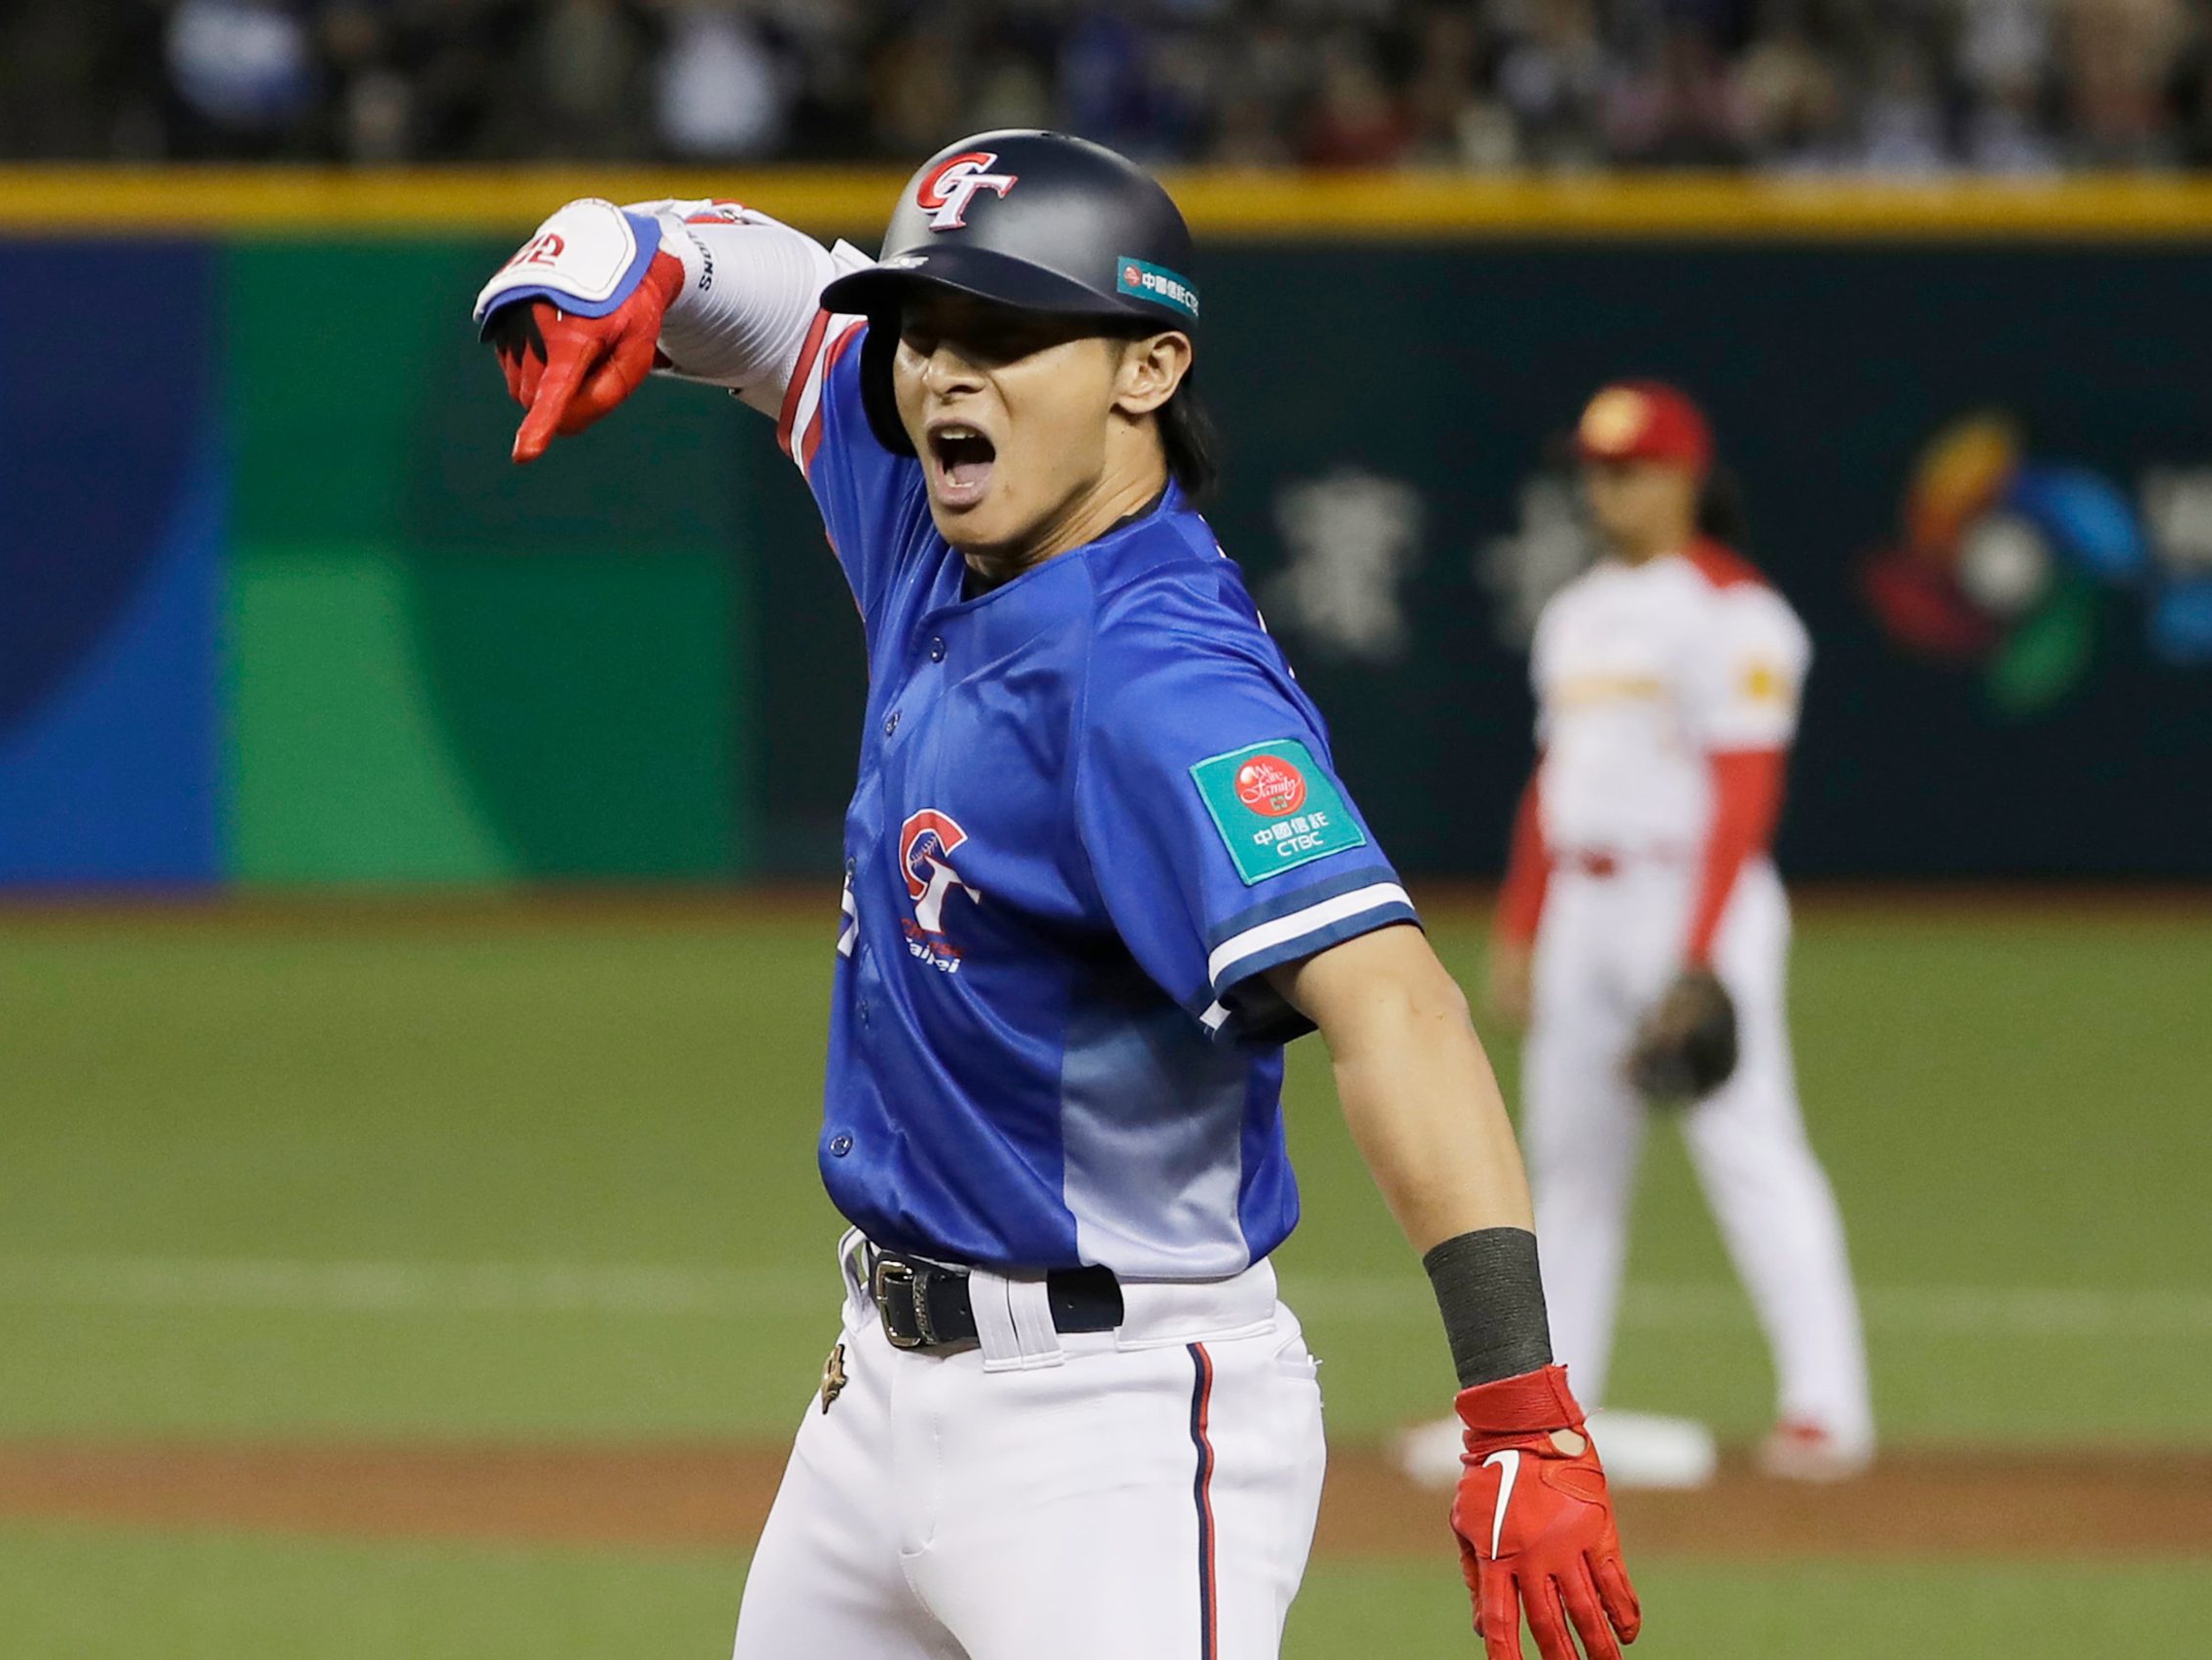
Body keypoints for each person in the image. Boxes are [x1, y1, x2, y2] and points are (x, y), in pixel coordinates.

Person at [471, 131, 1642, 1660]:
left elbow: (1398, 1003)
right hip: (873, 1399)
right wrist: (632, 248)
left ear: (1148, 368)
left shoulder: (1163, 684)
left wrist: (1521, 1411)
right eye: (931, 333)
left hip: (1114, 1435)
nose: (946, 374)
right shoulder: (936, 523)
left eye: (1009, 334)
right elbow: (790, 308)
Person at [1479, 380, 1874, 1483]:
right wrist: (1521, 927)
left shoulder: (1734, 612)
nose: (1607, 489)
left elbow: (1743, 794)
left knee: (1747, 1146)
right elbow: (1551, 783)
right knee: (1566, 1168)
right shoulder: (1577, 612)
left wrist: (1697, 956)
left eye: (1630, 468)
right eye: (1595, 470)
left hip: (1690, 901)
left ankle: (1825, 1406)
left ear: (1685, 479)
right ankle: (1552, 1401)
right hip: (1583, 907)